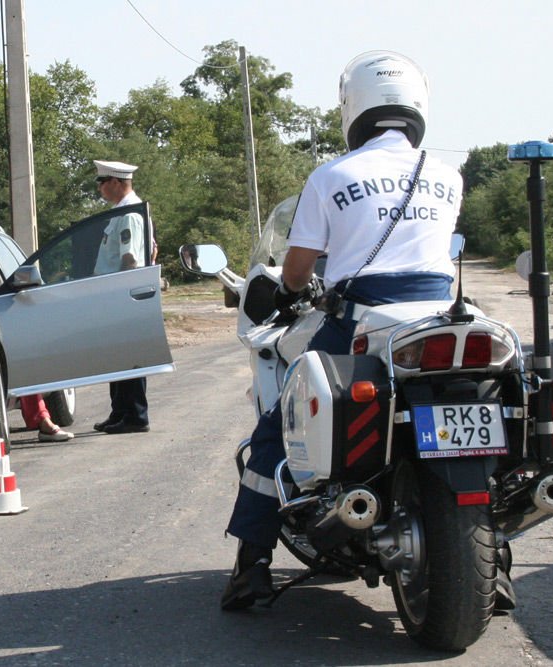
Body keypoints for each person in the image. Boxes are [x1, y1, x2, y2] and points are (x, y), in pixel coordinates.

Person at [219, 51, 512, 610]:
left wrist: (285, 292)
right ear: (418, 105)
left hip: (364, 318)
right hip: (442, 315)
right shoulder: (447, 174)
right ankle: (492, 561)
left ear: (352, 106)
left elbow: (300, 267)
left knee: (272, 432)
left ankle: (252, 566)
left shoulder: (333, 175)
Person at [91, 159, 153, 435]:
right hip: (112, 293)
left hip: (122, 292)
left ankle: (136, 415)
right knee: (116, 356)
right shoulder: (122, 211)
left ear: (116, 182)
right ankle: (120, 411)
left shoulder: (129, 213)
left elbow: (130, 258)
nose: (100, 188)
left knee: (129, 356)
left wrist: (126, 297)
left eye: (102, 182)